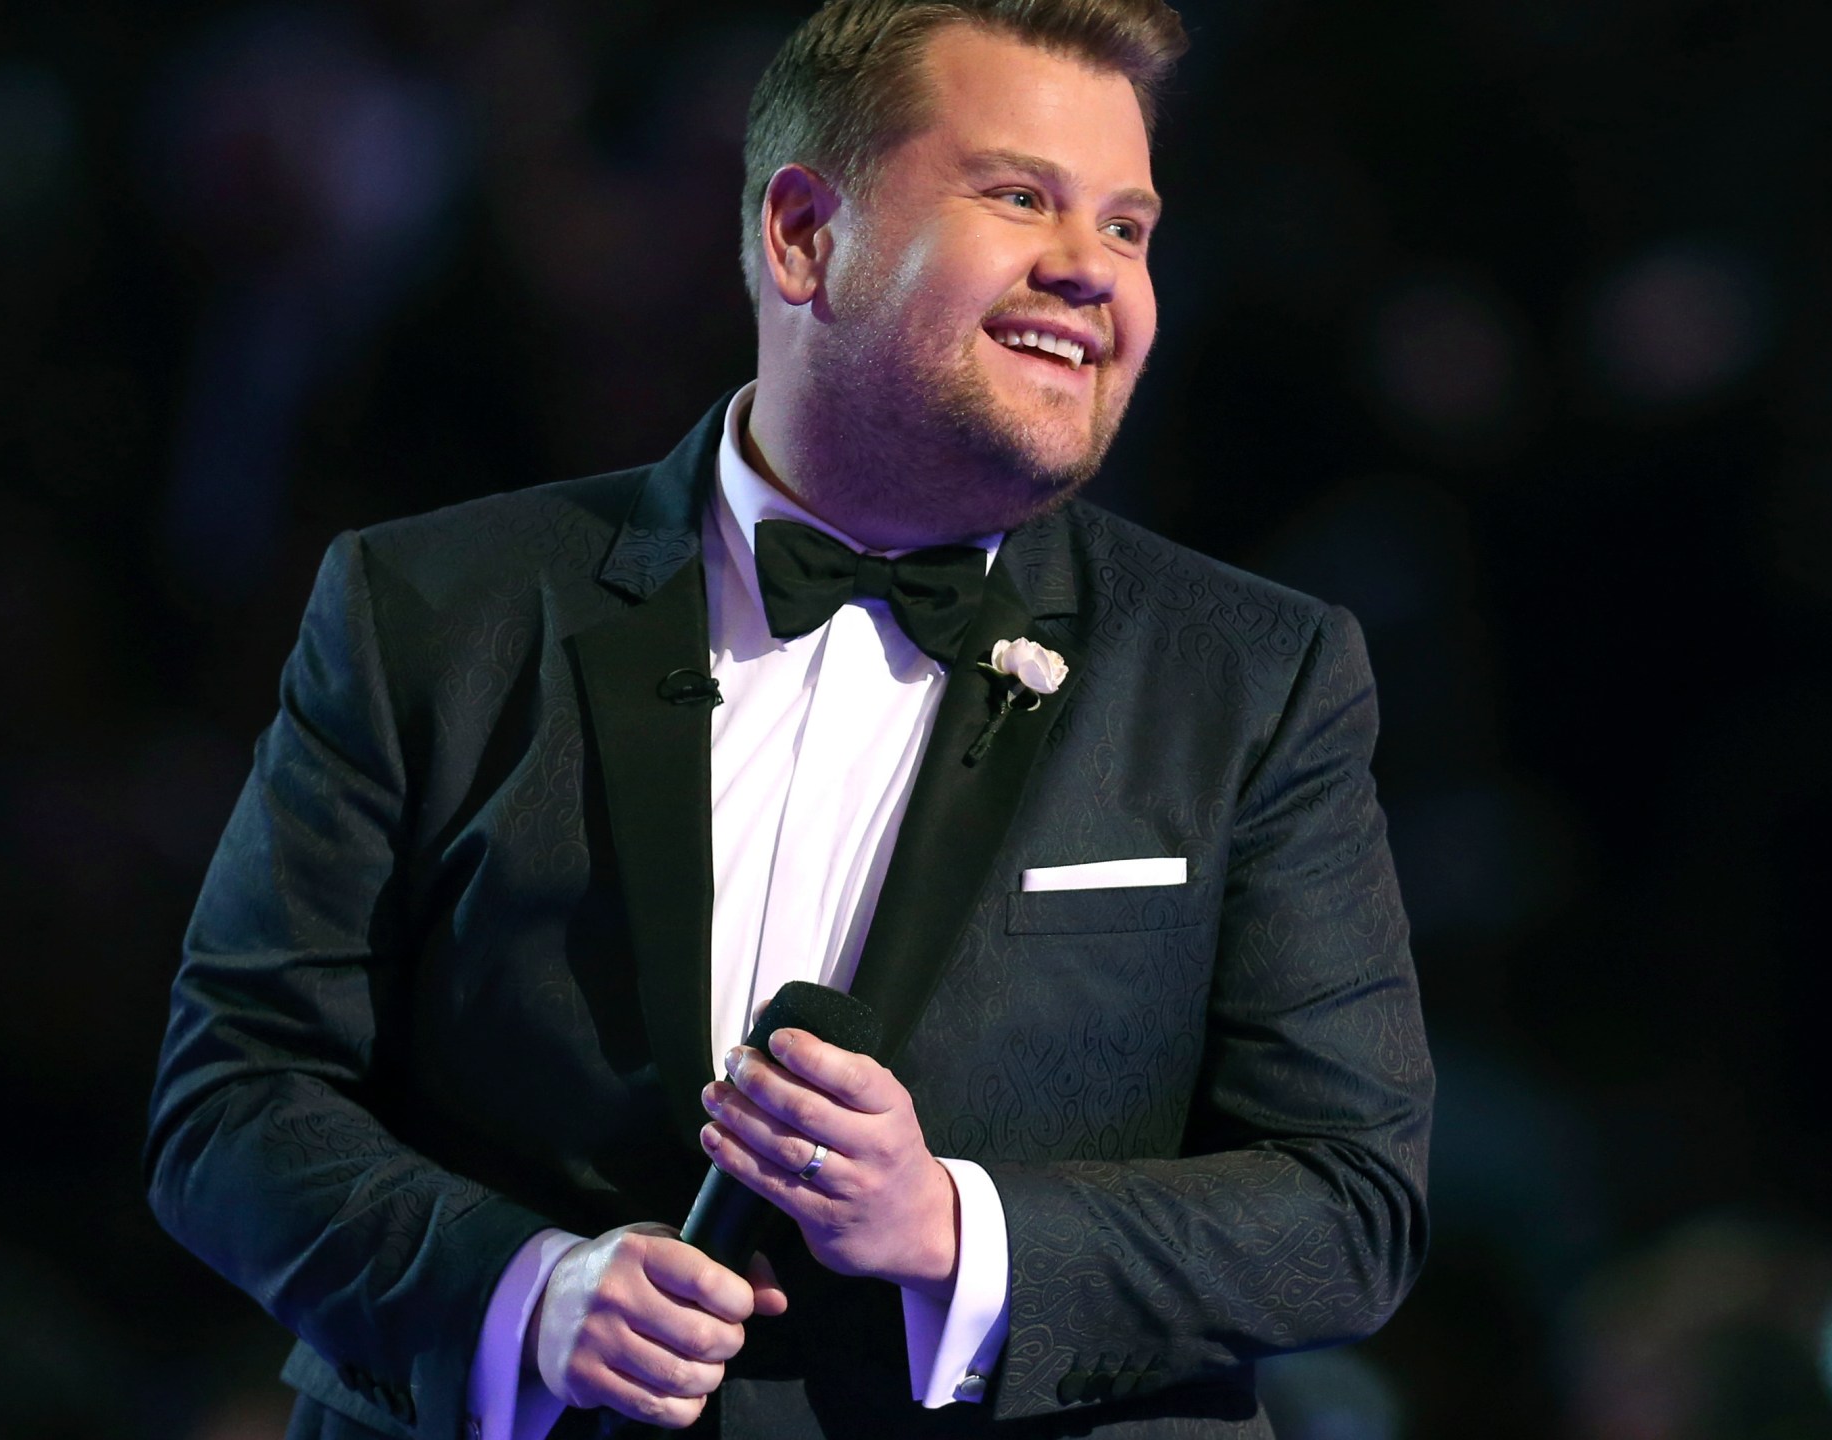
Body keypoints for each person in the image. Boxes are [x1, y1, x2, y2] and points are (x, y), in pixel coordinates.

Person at [144, 1, 1433, 1435]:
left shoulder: (1249, 673)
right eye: (1021, 198)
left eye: (1129, 228)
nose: (1092, 271)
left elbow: (1350, 1205)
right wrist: (522, 1293)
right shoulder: (431, 609)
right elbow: (233, 1102)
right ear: (803, 236)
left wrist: (955, 1225)